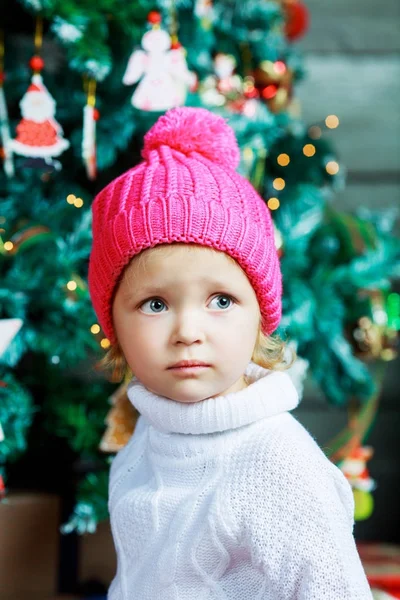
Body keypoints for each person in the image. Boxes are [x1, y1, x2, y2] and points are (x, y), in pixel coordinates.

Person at [88, 107, 373, 599]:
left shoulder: (277, 465)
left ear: (260, 315)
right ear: (113, 325)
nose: (187, 331)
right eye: (155, 304)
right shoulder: (144, 442)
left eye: (221, 300)